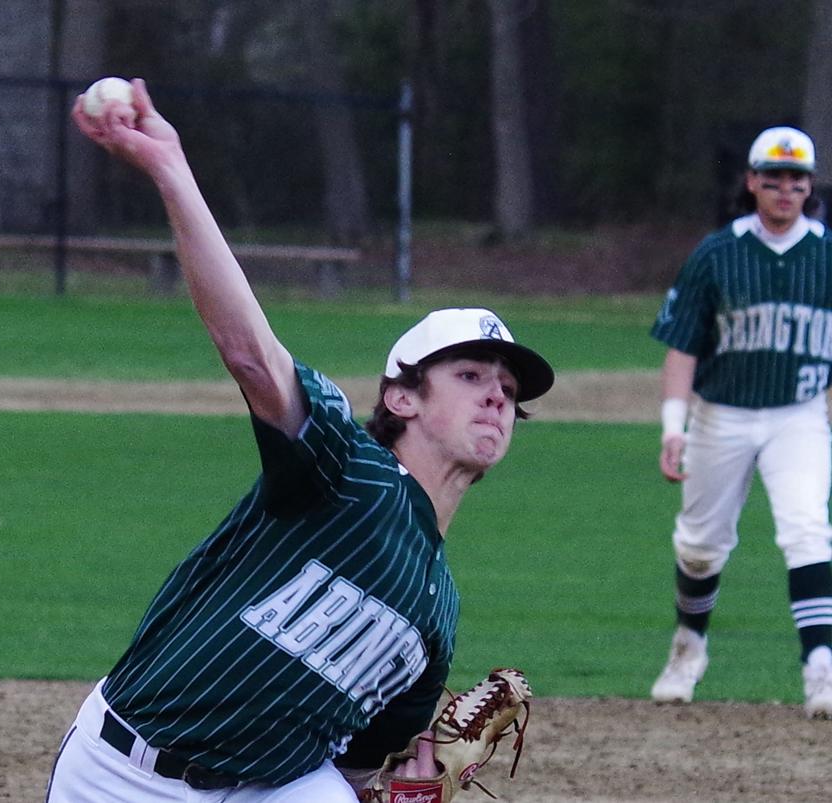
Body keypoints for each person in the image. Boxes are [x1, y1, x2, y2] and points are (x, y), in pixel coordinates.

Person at [45, 78, 554, 802]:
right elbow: (251, 353)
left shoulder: (436, 613)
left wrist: (404, 785)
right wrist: (171, 171)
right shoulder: (345, 467)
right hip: (127, 774)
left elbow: (353, 771)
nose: (498, 394)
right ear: (402, 397)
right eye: (471, 374)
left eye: (508, 387)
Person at [649, 125, 832, 718]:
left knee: (807, 529)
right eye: (772, 179)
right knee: (700, 547)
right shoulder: (717, 253)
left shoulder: (827, 254)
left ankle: (821, 668)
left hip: (797, 414)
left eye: (796, 181)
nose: (785, 190)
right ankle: (688, 649)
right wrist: (673, 426)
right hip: (722, 414)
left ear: (810, 188)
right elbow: (683, 347)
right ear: (751, 182)